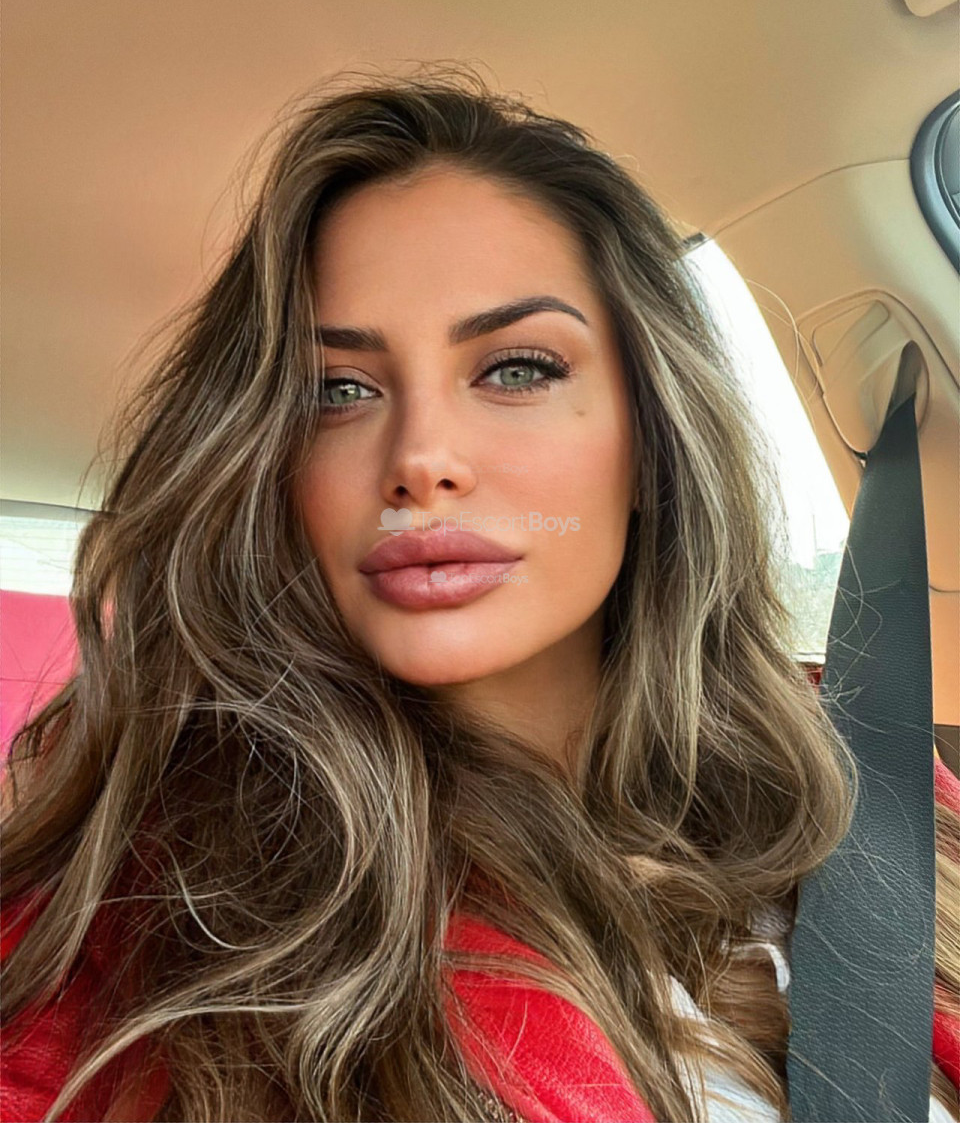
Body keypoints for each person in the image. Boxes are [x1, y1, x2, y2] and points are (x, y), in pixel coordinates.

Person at [1, 63, 957, 1123]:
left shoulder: (866, 776)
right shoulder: (151, 920)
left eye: (517, 369)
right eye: (337, 390)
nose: (421, 460)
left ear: (651, 441)